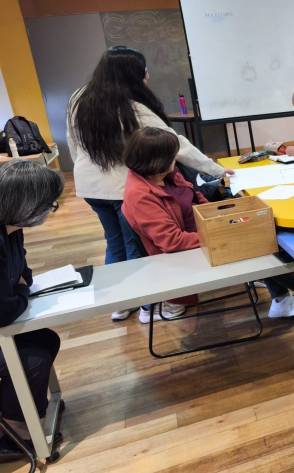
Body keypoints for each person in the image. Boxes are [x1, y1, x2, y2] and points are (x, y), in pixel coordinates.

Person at [67, 46, 231, 321]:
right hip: (120, 187)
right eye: (144, 72)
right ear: (130, 74)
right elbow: (174, 143)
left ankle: (120, 304)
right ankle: (146, 305)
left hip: (90, 185)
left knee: (114, 243)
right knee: (136, 246)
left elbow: (72, 141)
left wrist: (82, 172)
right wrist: (216, 169)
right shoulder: (131, 106)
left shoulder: (78, 98)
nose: (147, 77)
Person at [120, 128, 294, 322]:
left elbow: (196, 197)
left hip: (203, 235)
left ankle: (283, 299)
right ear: (157, 161)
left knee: (258, 230)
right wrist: (221, 232)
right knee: (259, 245)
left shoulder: (164, 174)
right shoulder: (140, 195)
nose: (176, 158)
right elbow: (172, 241)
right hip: (184, 254)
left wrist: (221, 219)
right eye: (172, 155)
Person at [0, 161, 64, 455]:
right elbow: (4, 310)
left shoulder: (12, 230)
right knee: (33, 358)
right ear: (26, 205)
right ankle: (14, 429)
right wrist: (21, 291)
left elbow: (24, 274)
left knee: (46, 339)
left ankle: (23, 414)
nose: (51, 209)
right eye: (49, 204)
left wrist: (19, 289)